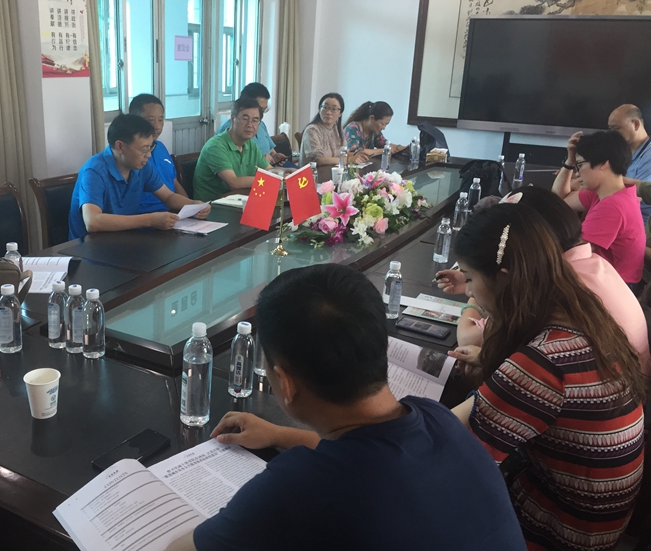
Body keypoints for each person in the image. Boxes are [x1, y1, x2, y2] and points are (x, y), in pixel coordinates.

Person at [166, 264, 525, 551]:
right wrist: (278, 435)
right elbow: (368, 456)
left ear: (285, 383)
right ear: (382, 347)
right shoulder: (436, 418)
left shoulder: (298, 487)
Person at [449, 203, 645, 551]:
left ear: (504, 276)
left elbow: (452, 451)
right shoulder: (577, 307)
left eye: (470, 278)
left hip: (564, 530)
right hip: (596, 513)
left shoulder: (545, 361)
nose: (469, 292)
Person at [437, 186, 651, 375]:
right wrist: (476, 278)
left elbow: (469, 338)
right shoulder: (591, 264)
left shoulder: (555, 287)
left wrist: (480, 285)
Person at [68, 114, 209, 239]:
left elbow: (168, 197)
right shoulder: (94, 171)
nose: (148, 155)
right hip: (90, 247)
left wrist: (194, 205)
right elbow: (92, 221)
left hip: (125, 239)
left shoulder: (141, 166)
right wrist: (149, 220)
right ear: (120, 147)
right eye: (144, 149)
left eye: (150, 147)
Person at [552, 129, 644, 285]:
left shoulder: (613, 205)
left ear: (603, 164)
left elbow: (573, 252)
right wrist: (569, 162)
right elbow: (559, 201)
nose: (577, 173)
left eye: (580, 165)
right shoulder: (611, 193)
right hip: (608, 277)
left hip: (616, 286)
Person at [193, 97, 286, 202]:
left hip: (239, 201)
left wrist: (288, 173)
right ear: (233, 119)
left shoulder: (250, 144)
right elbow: (233, 182)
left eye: (255, 120)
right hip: (211, 207)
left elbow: (269, 171)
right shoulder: (215, 146)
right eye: (245, 119)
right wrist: (272, 179)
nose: (250, 125)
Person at [128, 94, 190, 214]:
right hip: (145, 216)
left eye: (160, 120)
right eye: (150, 120)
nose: (156, 126)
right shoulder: (130, 156)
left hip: (171, 211)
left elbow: (174, 182)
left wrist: (191, 208)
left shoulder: (160, 147)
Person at [215, 82, 287, 166]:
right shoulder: (230, 129)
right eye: (260, 109)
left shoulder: (261, 124)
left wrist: (275, 156)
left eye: (264, 110)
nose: (261, 114)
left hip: (268, 169)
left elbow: (271, 150)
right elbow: (235, 165)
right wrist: (260, 162)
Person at [610, 104, 651, 221]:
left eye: (616, 128)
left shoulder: (649, 157)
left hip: (640, 221)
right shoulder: (621, 151)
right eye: (610, 129)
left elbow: (638, 196)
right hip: (622, 213)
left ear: (636, 124)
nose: (612, 134)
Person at [300, 93, 350, 166]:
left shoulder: (338, 129)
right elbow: (319, 160)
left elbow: (344, 153)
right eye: (325, 107)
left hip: (333, 170)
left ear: (340, 113)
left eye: (334, 109)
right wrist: (347, 160)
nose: (328, 112)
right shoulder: (312, 130)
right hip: (313, 172)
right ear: (319, 109)